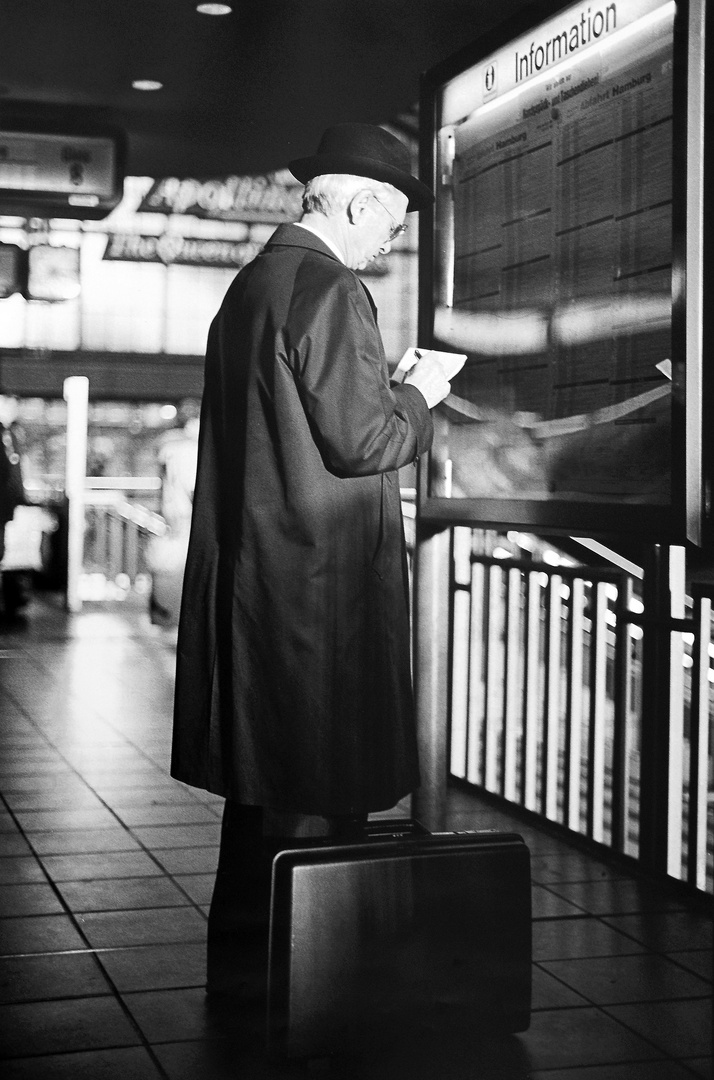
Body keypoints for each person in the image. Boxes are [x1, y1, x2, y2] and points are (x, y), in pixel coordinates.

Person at [170, 123, 453, 997]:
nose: (391, 238)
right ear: (362, 202)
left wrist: (386, 390)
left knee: (263, 803)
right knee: (319, 800)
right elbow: (366, 439)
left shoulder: (254, 285)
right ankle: (317, 1000)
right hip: (318, 597)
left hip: (262, 583)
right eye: (393, 222)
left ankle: (248, 993)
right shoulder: (330, 288)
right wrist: (420, 392)